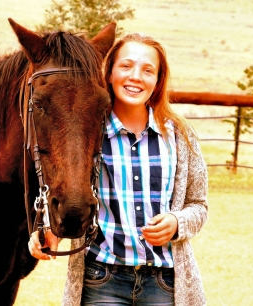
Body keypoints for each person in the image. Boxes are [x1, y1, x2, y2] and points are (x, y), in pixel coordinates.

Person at [28, 33, 208, 306]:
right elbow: (67, 190)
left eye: (148, 70)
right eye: (126, 66)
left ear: (158, 81)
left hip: (165, 282)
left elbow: (198, 205)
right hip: (102, 279)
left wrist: (177, 222)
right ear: (109, 72)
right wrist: (48, 229)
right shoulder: (88, 134)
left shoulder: (179, 137)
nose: (136, 76)